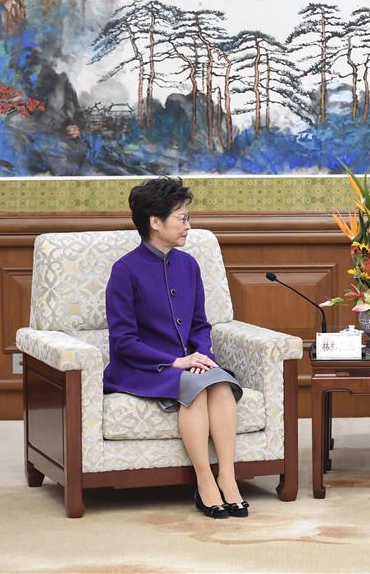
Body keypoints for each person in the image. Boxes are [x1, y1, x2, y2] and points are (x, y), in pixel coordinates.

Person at [103, 176, 248, 520]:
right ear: (155, 222)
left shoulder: (189, 265)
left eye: (188, 218)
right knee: (195, 390)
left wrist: (202, 357)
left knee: (221, 384)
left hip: (188, 362)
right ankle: (204, 482)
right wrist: (176, 361)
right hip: (141, 368)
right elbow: (124, 341)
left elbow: (200, 324)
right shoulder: (125, 271)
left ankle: (227, 476)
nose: (188, 226)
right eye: (182, 219)